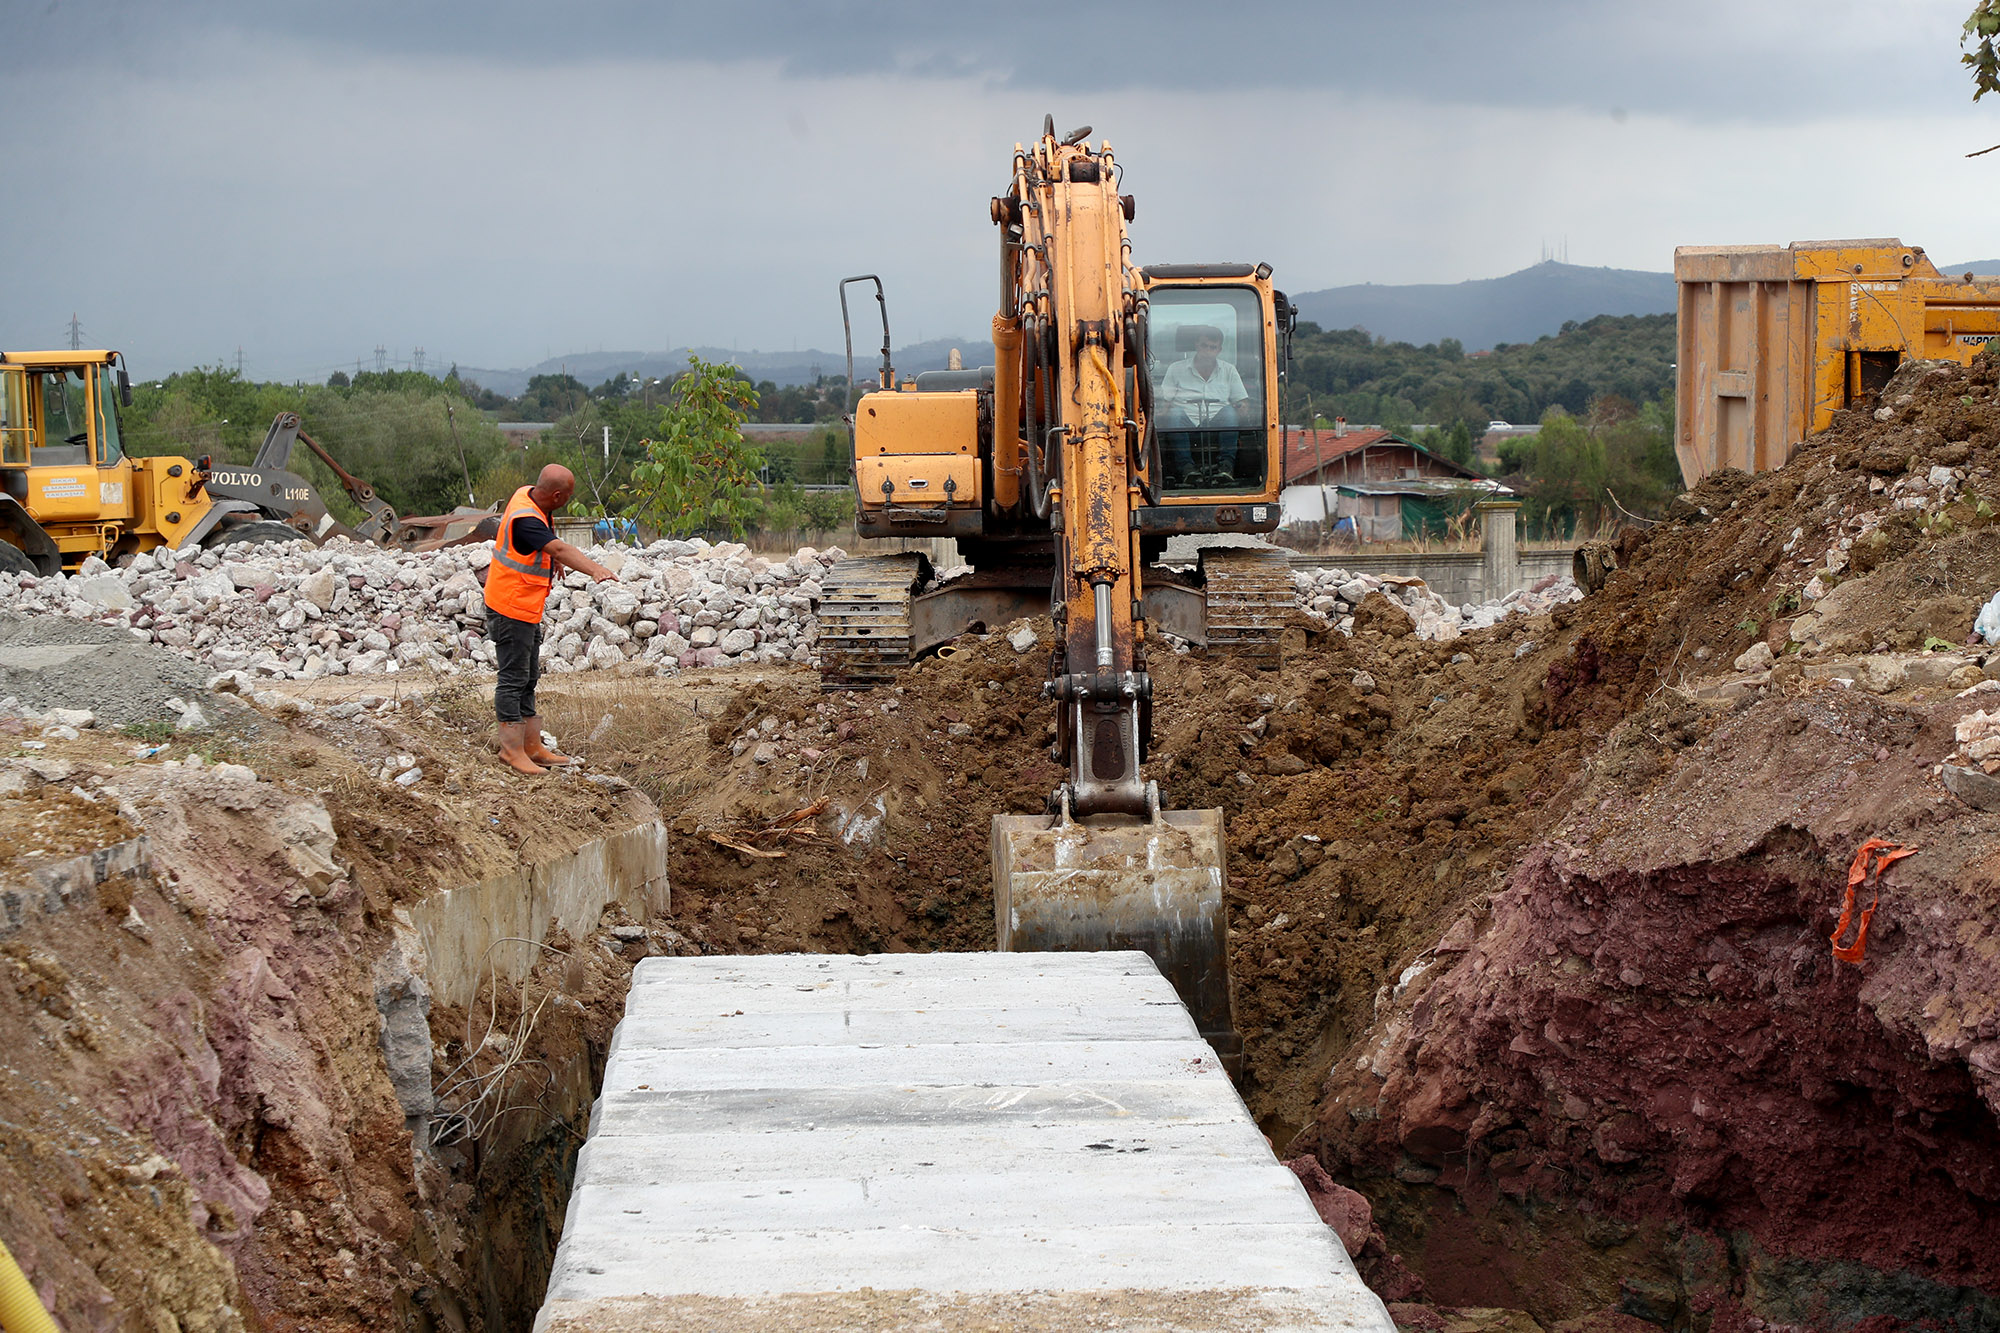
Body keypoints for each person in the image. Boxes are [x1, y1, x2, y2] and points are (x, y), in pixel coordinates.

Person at [482, 463, 614, 774]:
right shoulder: (526, 517)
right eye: (567, 496)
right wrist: (596, 570)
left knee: (528, 677)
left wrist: (549, 558)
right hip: (510, 607)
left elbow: (541, 545)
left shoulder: (527, 497)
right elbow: (556, 545)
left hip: (524, 606)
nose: (568, 500)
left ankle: (532, 746)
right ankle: (511, 750)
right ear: (557, 495)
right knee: (512, 680)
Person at [1158, 325, 1251, 483]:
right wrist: (1162, 415)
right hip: (1185, 424)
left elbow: (1242, 402)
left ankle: (1226, 467)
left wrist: (1241, 411)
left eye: (1212, 347)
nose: (1208, 350)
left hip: (1218, 426)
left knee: (1229, 412)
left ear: (1219, 350)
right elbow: (1164, 403)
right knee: (1174, 413)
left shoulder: (1229, 371)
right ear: (1196, 345)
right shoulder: (1176, 369)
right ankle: (1186, 469)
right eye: (1204, 346)